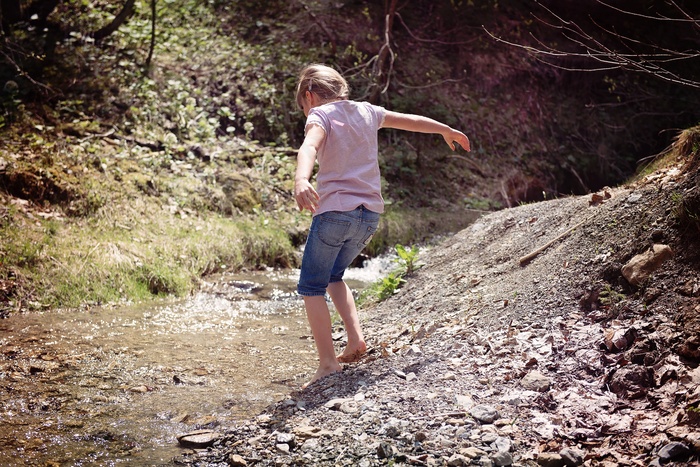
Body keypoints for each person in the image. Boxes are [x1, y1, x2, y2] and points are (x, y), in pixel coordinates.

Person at [294, 64, 470, 388]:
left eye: (303, 105)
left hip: (334, 212)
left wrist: (302, 178)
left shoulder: (320, 116)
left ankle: (328, 363)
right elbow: (411, 121)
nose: (306, 111)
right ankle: (356, 340)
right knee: (334, 276)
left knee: (311, 286)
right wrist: (445, 129)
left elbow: (309, 146)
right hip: (369, 216)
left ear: (309, 96)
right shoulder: (367, 112)